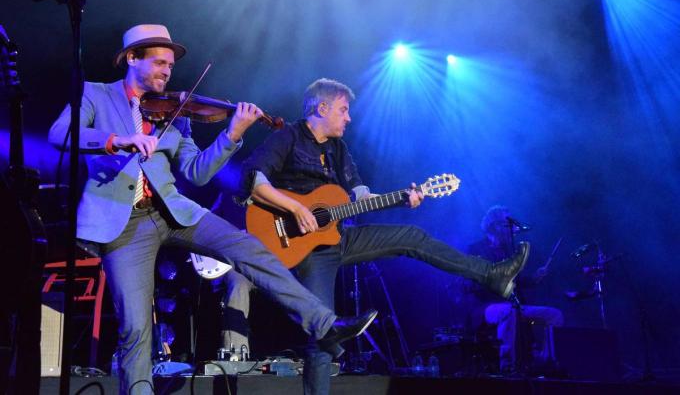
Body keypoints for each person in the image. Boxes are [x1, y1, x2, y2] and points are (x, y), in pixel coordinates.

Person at [47, 25, 375, 395]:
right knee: (136, 328)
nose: (167, 72)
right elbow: (61, 135)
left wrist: (232, 134)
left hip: (175, 211)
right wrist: (117, 140)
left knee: (248, 248)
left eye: (170, 66)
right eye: (159, 63)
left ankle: (324, 324)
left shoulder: (178, 112)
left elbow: (196, 172)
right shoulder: (96, 94)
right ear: (132, 58)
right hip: (124, 223)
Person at [238, 78, 531, 395]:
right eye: (343, 110)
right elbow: (253, 180)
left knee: (412, 237)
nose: (349, 117)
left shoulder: (339, 148)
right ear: (321, 108)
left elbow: (361, 195)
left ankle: (492, 275)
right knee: (324, 333)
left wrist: (404, 197)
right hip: (300, 246)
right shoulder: (288, 137)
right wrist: (296, 208)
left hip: (338, 238)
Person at [467, 205, 564, 373]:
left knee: (554, 315)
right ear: (496, 225)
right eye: (508, 224)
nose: (512, 229)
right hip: (487, 307)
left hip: (514, 305)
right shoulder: (475, 249)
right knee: (508, 312)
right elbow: (470, 284)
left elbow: (517, 281)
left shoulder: (508, 251)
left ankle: (546, 361)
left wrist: (534, 278)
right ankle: (507, 365)